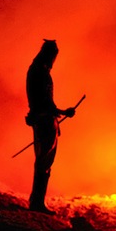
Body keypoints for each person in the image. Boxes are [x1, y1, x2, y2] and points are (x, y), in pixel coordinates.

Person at [25, 39, 75, 215]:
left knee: (43, 161)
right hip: (45, 122)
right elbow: (44, 102)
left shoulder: (35, 70)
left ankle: (36, 200)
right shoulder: (40, 73)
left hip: (42, 120)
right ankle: (37, 202)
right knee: (44, 162)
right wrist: (63, 111)